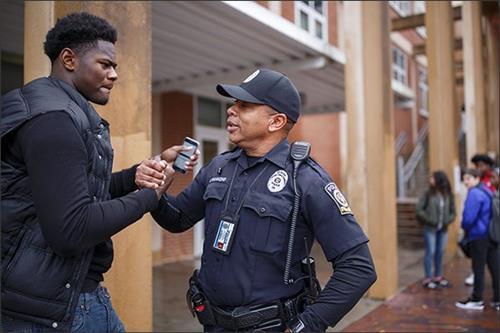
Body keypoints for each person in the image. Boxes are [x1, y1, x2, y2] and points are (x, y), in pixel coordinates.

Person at [0, 12, 196, 332]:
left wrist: (136, 175)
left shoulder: (59, 108)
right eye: (105, 64)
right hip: (56, 310)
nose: (115, 74)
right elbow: (72, 230)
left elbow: (73, 190)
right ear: (69, 59)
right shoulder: (55, 120)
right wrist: (151, 195)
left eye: (115, 66)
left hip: (55, 297)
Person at [148, 68, 377, 332]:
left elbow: (358, 268)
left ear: (276, 122)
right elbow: (176, 219)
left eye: (244, 105)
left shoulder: (306, 179)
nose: (231, 110)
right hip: (213, 324)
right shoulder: (219, 167)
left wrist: (306, 326)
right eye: (234, 103)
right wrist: (157, 187)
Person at [455, 169, 499, 311]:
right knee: (495, 268)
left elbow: (468, 218)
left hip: (478, 235)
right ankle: (498, 299)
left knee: (478, 268)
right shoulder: (487, 191)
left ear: (476, 179)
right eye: (464, 179)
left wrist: (464, 227)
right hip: (491, 235)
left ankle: (476, 299)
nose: (465, 182)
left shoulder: (474, 193)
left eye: (468, 179)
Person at [416, 171, 456, 289]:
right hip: (430, 228)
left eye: (432, 178)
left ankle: (438, 276)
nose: (430, 180)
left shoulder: (448, 193)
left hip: (443, 229)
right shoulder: (428, 193)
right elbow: (419, 209)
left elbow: (453, 211)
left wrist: (448, 220)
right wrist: (429, 219)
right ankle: (428, 278)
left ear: (439, 179)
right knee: (430, 252)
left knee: (440, 252)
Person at [464, 154, 497, 286]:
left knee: (488, 261)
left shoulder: (490, 181)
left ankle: (479, 296)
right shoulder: (478, 184)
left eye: (481, 165)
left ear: (488, 166)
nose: (479, 168)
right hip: (483, 229)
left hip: (485, 228)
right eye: (477, 165)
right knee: (485, 260)